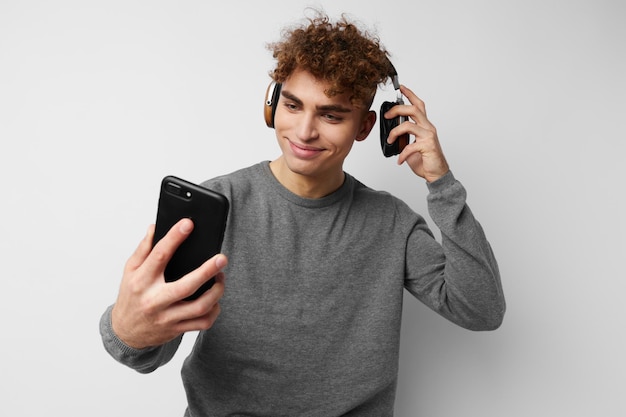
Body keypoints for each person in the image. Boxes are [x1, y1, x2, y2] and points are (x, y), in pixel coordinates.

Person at [100, 11, 505, 416]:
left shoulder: (392, 223)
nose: (305, 131)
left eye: (331, 115)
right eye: (293, 106)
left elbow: (480, 310)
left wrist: (442, 184)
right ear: (272, 105)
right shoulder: (218, 203)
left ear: (366, 126)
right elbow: (143, 352)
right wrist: (129, 330)